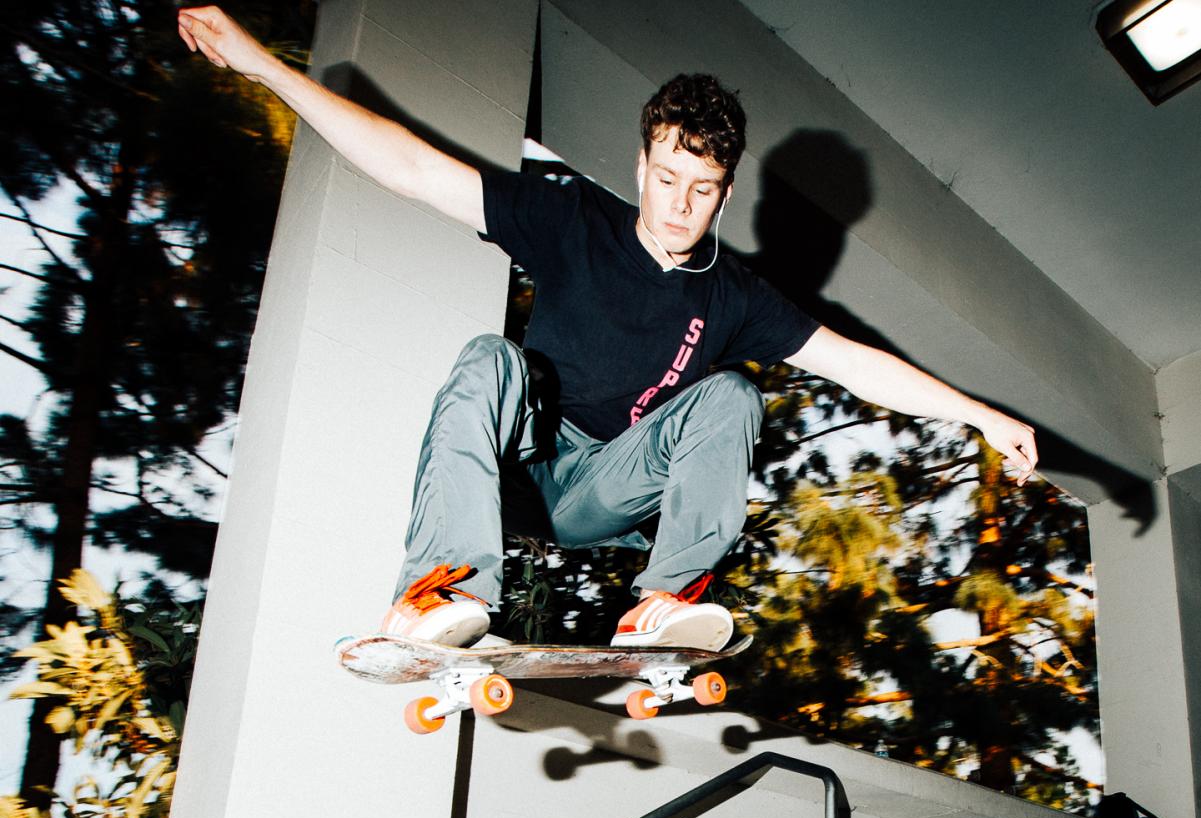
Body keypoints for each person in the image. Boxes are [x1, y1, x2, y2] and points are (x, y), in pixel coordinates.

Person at [177, 7, 1038, 652]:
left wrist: (981, 415)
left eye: (701, 190)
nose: (678, 206)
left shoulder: (735, 294)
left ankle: (662, 600)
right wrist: (262, 66)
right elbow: (409, 167)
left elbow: (854, 364)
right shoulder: (572, 219)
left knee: (732, 393)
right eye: (666, 179)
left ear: (725, 193)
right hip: (517, 466)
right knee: (489, 357)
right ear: (641, 166)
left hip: (599, 493)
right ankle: (442, 590)